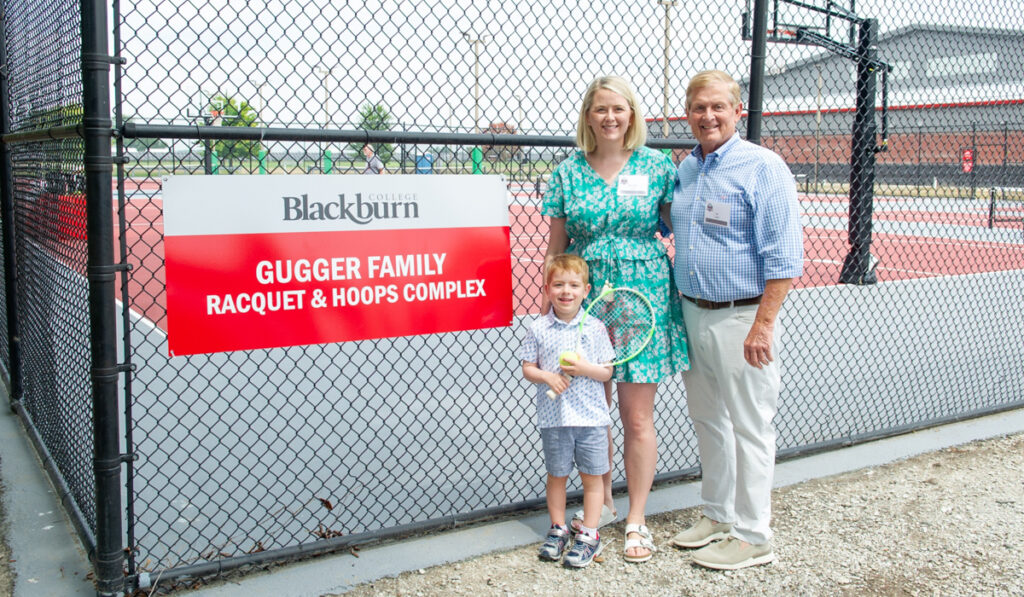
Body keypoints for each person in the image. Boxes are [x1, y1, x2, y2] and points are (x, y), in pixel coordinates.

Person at [542, 75, 689, 563]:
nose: (610, 118)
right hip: (586, 303)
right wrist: (552, 309)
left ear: (632, 115)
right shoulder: (567, 172)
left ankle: (636, 520)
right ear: (588, 116)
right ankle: (597, 509)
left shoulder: (656, 166)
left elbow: (679, 228)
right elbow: (557, 246)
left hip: (643, 297)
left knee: (636, 416)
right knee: (591, 412)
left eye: (619, 109)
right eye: (600, 109)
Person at [665, 70, 804, 570]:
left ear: (737, 111)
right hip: (692, 311)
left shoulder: (762, 168)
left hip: (742, 316)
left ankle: (753, 534)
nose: (708, 116)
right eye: (699, 108)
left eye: (718, 107)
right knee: (708, 420)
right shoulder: (686, 171)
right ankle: (718, 514)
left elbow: (784, 257)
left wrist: (763, 325)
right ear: (688, 113)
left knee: (751, 425)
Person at [519, 254, 615, 568]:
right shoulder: (538, 328)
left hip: (590, 419)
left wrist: (585, 367)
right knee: (556, 476)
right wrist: (548, 376)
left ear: (586, 290)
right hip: (554, 420)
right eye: (558, 284)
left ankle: (589, 533)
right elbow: (528, 369)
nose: (566, 291)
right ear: (547, 289)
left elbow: (606, 373)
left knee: (592, 478)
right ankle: (558, 529)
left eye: (574, 285)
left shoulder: (596, 328)